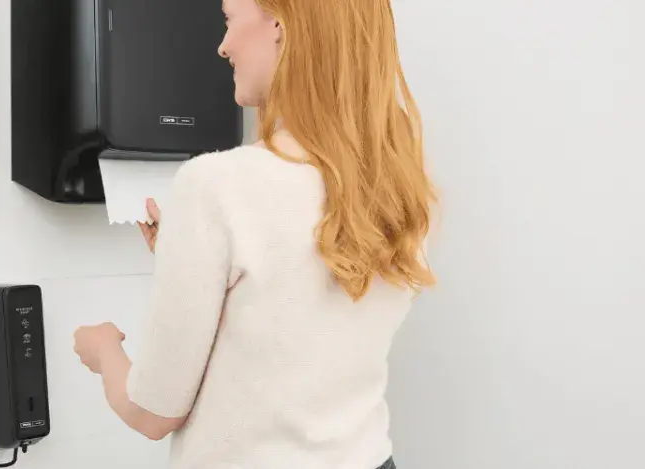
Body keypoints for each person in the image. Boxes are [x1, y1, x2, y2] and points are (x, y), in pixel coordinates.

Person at [71, 0, 435, 468]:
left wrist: (103, 349)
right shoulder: (399, 188)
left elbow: (152, 414)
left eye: (229, 19)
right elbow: (299, 324)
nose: (223, 47)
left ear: (279, 27)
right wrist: (189, 260)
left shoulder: (218, 184)